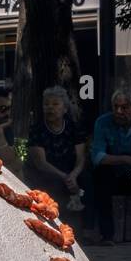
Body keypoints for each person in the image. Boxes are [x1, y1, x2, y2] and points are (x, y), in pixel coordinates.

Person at [27, 86, 85, 221]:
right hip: (48, 171)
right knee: (54, 184)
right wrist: (65, 177)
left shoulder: (74, 127)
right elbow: (40, 163)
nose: (50, 108)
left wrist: (73, 175)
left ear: (65, 108)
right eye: (46, 104)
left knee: (88, 181)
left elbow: (81, 158)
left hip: (71, 170)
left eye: (55, 104)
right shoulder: (37, 129)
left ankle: (89, 230)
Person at [92, 88, 131, 245]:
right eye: (115, 107)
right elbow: (97, 157)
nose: (118, 111)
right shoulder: (103, 122)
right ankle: (107, 236)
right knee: (100, 174)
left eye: (124, 107)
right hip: (114, 175)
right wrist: (126, 160)